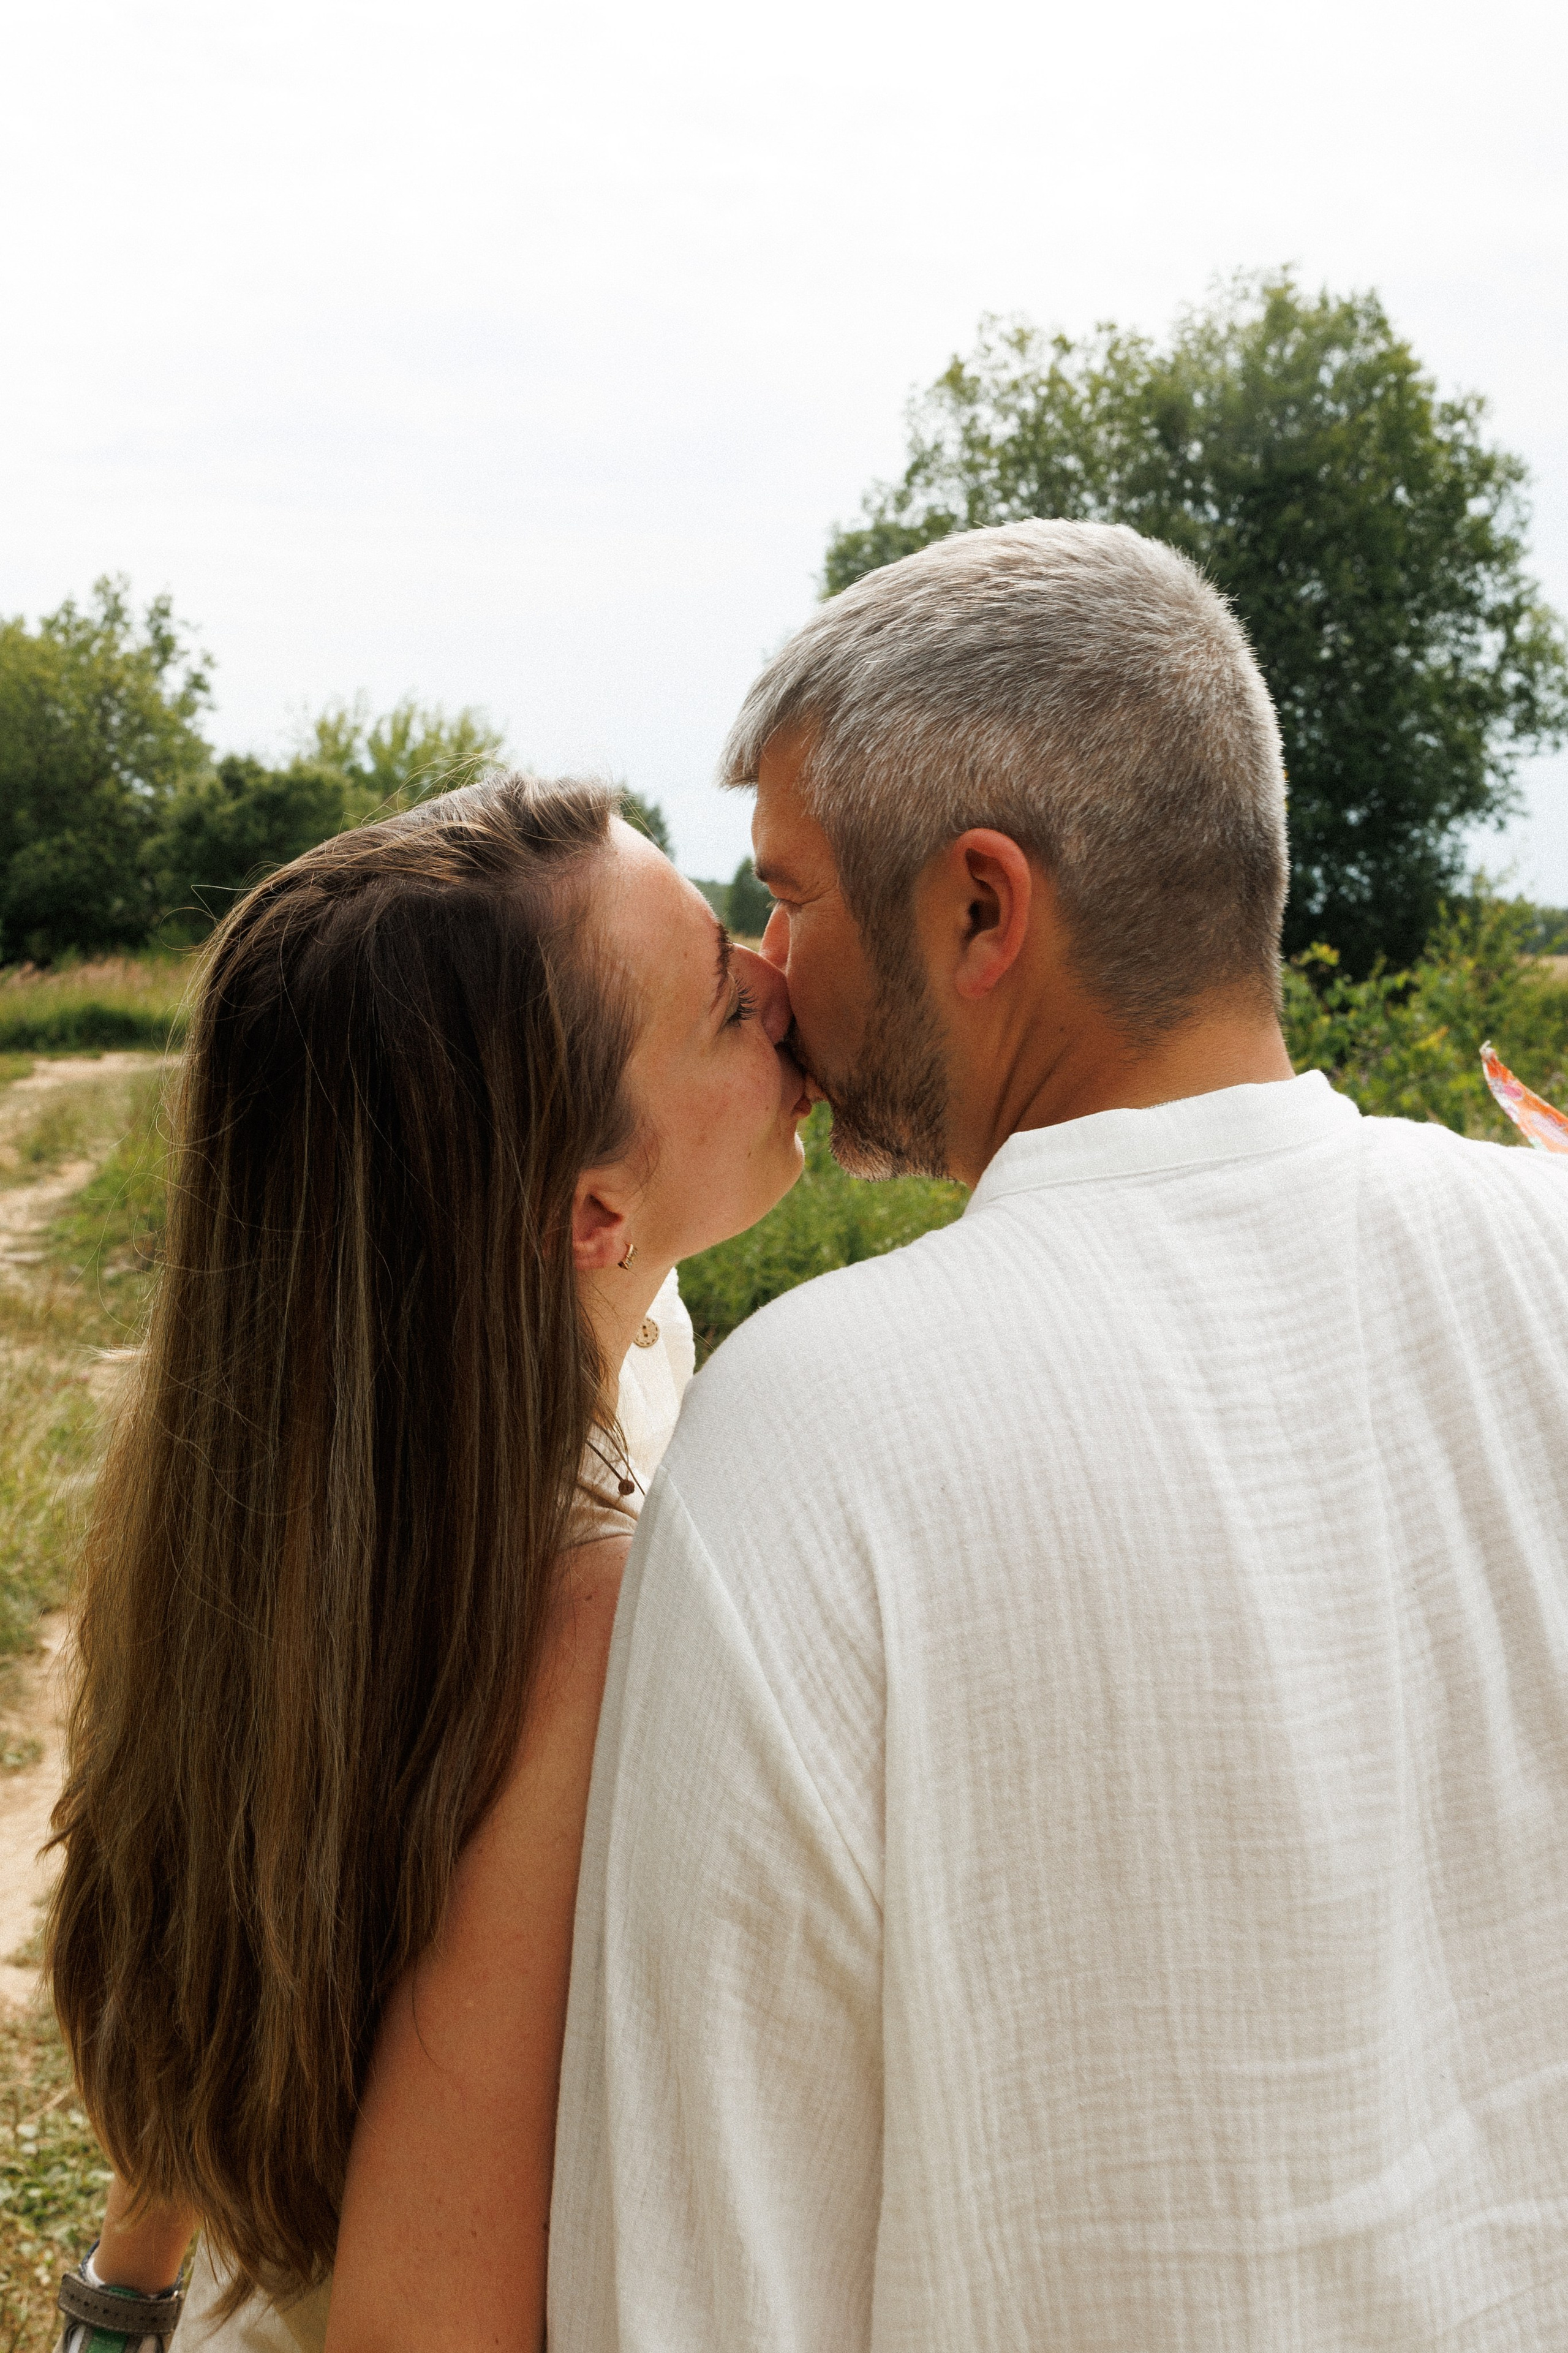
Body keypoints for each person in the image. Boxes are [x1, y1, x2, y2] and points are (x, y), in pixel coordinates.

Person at [548, 520, 1568, 2349]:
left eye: (792, 894)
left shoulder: (814, 1430)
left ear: (980, 909)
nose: (768, 970)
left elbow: (696, 2289)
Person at [46, 774, 812, 2353]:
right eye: (731, 1004)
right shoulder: (589, 1609)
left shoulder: (293, 1476)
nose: (789, 988)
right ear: (588, 1211)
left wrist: (120, 2308)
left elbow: (245, 1927)